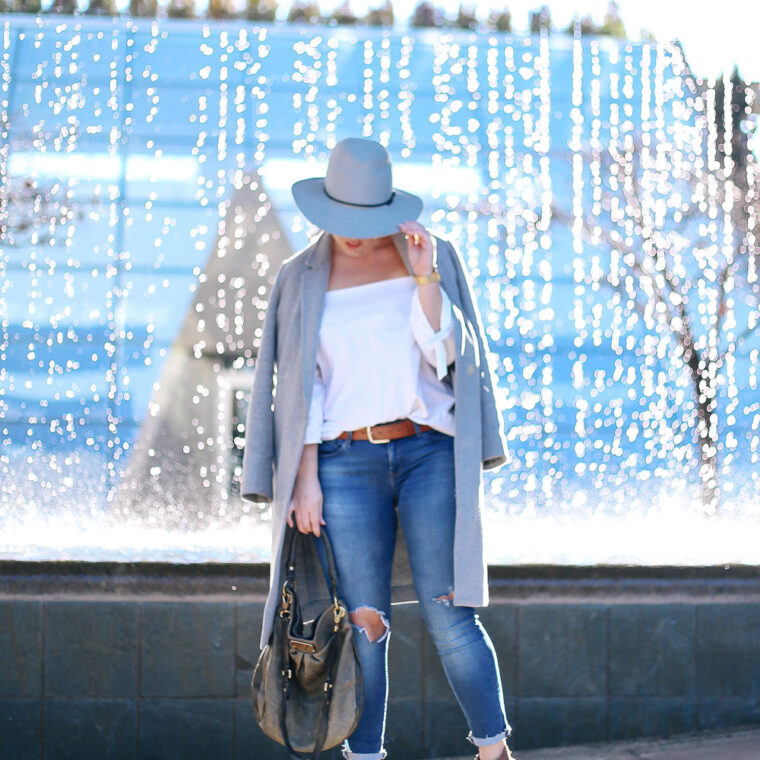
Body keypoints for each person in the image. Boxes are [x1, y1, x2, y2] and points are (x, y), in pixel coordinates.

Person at [241, 137, 516, 760]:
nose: (355, 236)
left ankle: (493, 751)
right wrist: (303, 478)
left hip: (427, 454)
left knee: (451, 613)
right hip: (342, 463)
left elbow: (448, 358)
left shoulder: (432, 254)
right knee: (364, 625)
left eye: (367, 220)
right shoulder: (300, 276)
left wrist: (424, 280)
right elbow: (301, 385)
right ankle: (364, 756)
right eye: (344, 221)